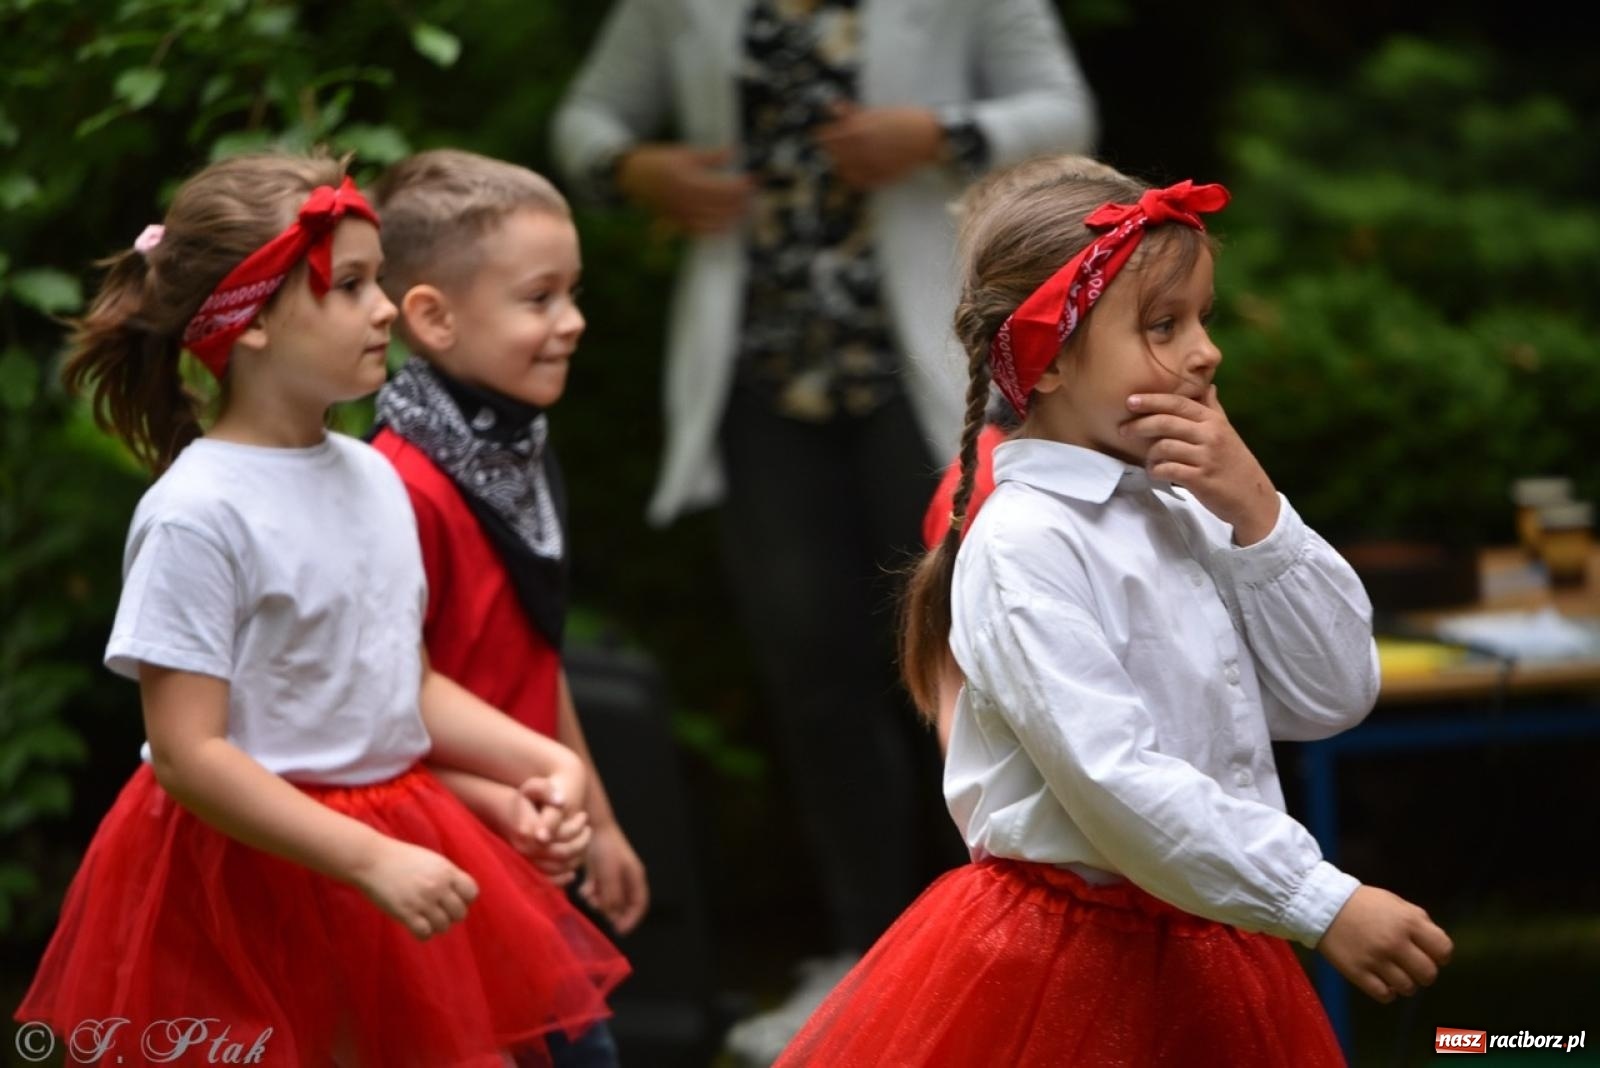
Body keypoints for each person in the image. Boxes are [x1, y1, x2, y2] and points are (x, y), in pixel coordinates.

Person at [774, 156, 1454, 1067]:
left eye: (1202, 320)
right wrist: (1317, 900)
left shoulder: (1182, 503)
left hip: (1214, 933)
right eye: (1162, 326)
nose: (1206, 352)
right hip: (1065, 965)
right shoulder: (1024, 545)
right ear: (1044, 360)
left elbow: (1334, 692)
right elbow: (1113, 777)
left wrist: (1257, 508)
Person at [551, 3, 1097, 1056]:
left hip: (928, 366)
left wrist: (939, 136)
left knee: (966, 662)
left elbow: (1064, 107)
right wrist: (636, 171)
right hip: (762, 379)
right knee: (812, 678)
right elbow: (585, 119)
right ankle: (865, 958)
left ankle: (1008, 950)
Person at [14, 152, 628, 1067]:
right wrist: (369, 858)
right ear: (249, 321)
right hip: (250, 880)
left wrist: (534, 756)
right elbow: (188, 755)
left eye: (377, 279)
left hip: (397, 843)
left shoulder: (375, 475)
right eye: (348, 285)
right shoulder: (198, 512)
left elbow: (399, 682)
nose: (384, 308)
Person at [366, 147, 652, 1064]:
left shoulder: (514, 455)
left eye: (571, 293)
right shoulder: (400, 487)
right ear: (432, 318)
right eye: (539, 299)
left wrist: (600, 819)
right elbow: (374, 705)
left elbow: (533, 654)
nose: (571, 322)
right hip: (445, 869)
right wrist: (499, 798)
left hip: (534, 847)